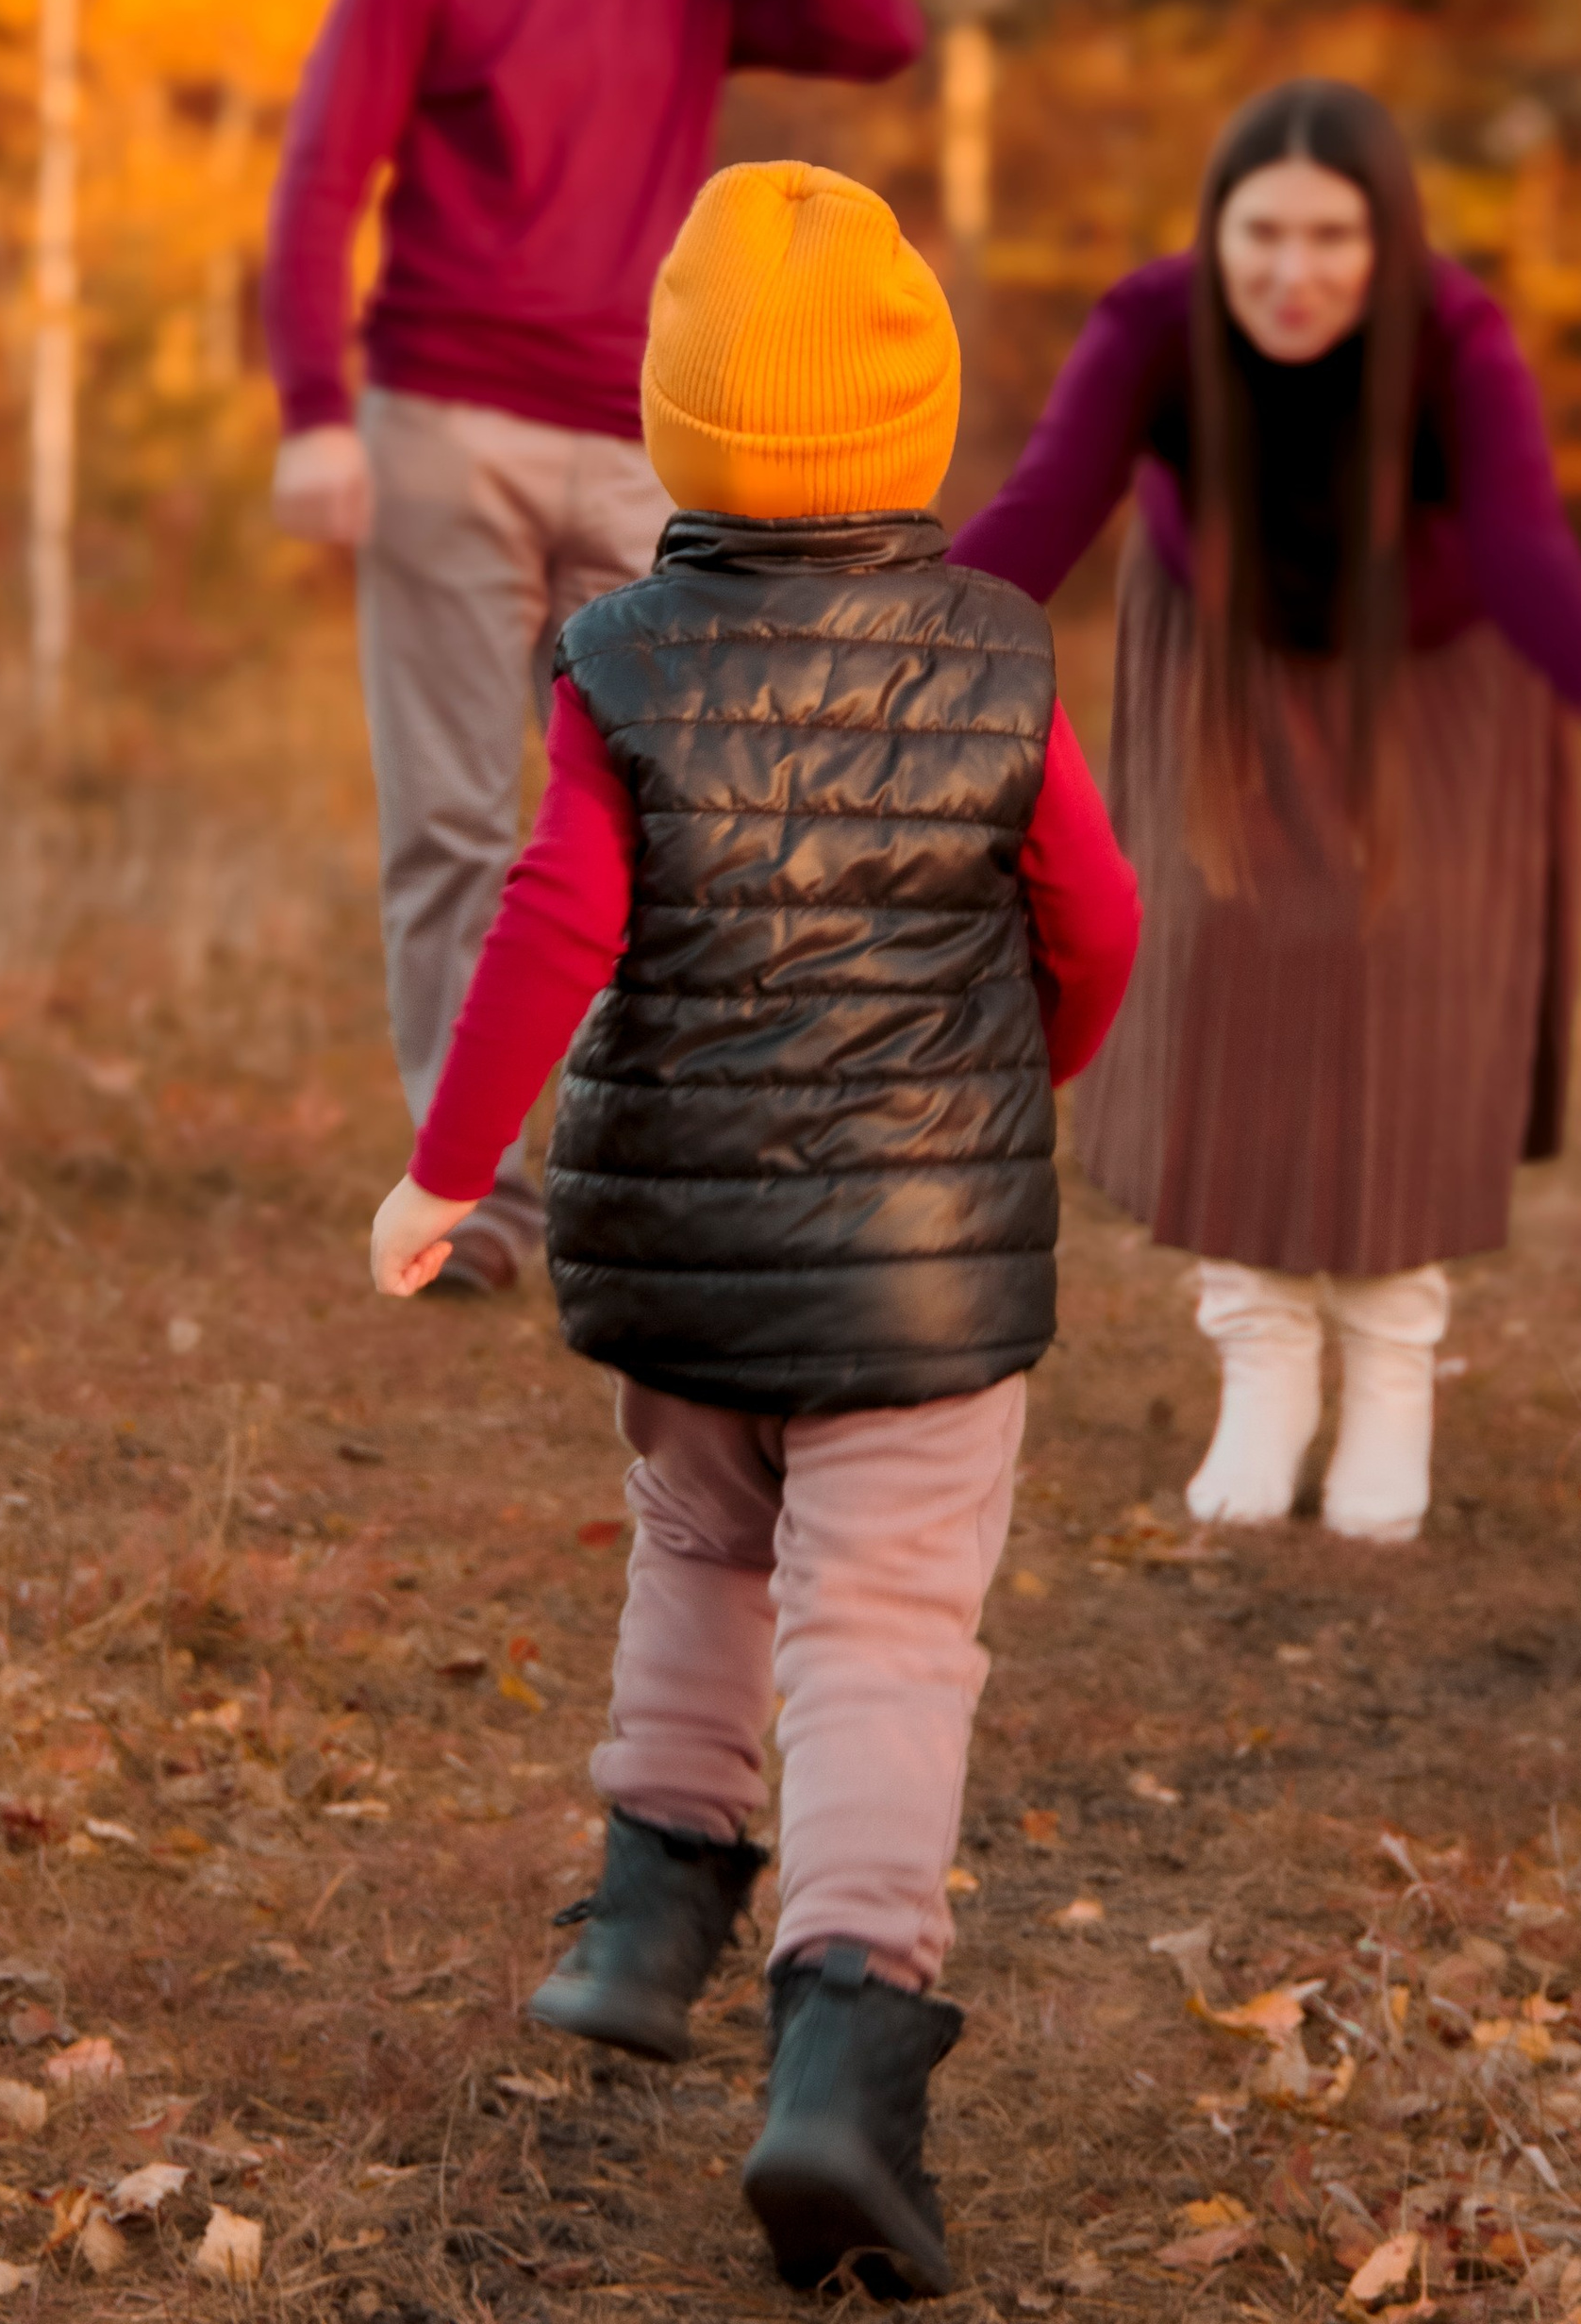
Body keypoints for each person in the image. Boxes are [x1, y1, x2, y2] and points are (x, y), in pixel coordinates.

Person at [367, 160, 1140, 2302]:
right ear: (911, 420)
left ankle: (644, 1909)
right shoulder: (996, 650)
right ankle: (839, 2066)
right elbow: (1097, 919)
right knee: (883, 1628)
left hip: (684, 1256)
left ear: (672, 421)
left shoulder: (616, 657)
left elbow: (553, 924)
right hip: (924, 1262)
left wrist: (449, 1167)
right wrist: (1012, 1091)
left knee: (701, 1549)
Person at [949, 77, 1581, 1548]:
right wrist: (859, 660)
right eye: (1261, 233)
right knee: (1225, 972)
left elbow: (1530, 545)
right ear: (1213, 234)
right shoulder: (1149, 325)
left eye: (1333, 236)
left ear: (1387, 236)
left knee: (1404, 991)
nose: (1295, 272)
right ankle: (1263, 1364)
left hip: (1437, 674)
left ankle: (1394, 1367)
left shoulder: (1456, 335)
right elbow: (1041, 511)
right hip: (1222, 671)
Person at [262, 0, 926, 1293]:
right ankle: (472, 1206)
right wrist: (311, 408)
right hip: (441, 435)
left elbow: (879, 29)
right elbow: (322, 174)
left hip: (642, 450)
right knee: (455, 826)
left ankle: (665, 1174)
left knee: (687, 811)